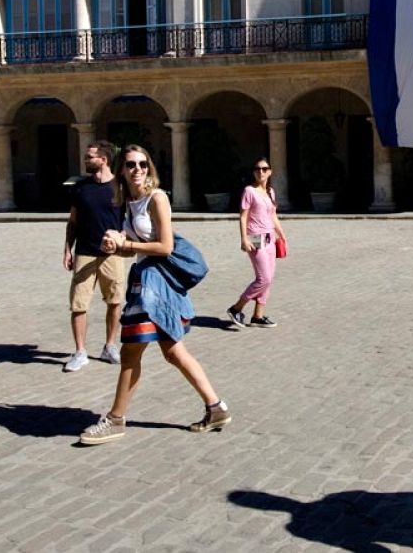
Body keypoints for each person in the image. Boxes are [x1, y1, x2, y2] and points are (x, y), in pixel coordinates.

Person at [79, 145, 231, 444]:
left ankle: (115, 419)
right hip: (146, 277)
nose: (137, 170)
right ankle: (216, 408)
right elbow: (134, 239)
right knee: (173, 351)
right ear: (121, 169)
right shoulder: (128, 201)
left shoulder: (156, 198)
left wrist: (127, 246)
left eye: (143, 164)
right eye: (131, 165)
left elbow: (165, 247)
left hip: (154, 282)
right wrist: (116, 241)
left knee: (131, 351)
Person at [62, 140, 126, 371]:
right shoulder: (80, 187)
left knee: (115, 300)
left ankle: (110, 346)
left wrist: (122, 237)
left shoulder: (120, 187)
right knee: (78, 304)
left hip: (113, 255)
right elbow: (73, 221)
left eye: (90, 157)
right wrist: (67, 249)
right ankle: (80, 352)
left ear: (104, 159)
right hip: (84, 253)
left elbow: (128, 221)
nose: (86, 160)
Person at [226, 157, 287, 329]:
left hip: (270, 239)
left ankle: (257, 316)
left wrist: (282, 235)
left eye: (264, 169)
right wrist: (244, 238)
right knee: (263, 278)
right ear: (254, 172)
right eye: (257, 169)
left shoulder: (270, 192)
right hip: (255, 237)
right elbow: (243, 216)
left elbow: (273, 216)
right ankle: (236, 308)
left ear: (270, 172)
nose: (260, 172)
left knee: (269, 278)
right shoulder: (249, 191)